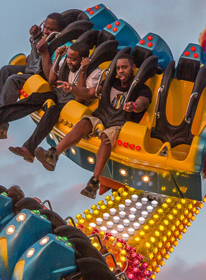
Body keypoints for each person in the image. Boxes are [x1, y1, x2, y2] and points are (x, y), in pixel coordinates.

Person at [35, 55, 152, 198]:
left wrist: (134, 106)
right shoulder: (110, 82)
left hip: (119, 123)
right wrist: (73, 89)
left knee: (106, 137)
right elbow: (90, 93)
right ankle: (53, 154)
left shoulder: (142, 89)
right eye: (118, 68)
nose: (121, 71)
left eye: (124, 67)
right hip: (101, 116)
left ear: (133, 68)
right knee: (84, 123)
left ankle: (94, 182)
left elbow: (143, 102)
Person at [0, 13, 67, 140]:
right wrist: (35, 37)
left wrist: (45, 50)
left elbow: (49, 72)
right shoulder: (42, 38)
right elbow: (33, 59)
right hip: (31, 68)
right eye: (44, 27)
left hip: (40, 74)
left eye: (50, 29)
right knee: (6, 70)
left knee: (13, 80)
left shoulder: (60, 46)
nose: (45, 31)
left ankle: (0, 121)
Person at [8, 41, 102, 163]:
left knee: (53, 110)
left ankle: (29, 149)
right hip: (59, 95)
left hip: (73, 104)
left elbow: (80, 99)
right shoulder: (66, 62)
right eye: (68, 57)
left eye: (73, 59)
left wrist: (83, 71)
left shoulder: (95, 73)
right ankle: (0, 119)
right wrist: (58, 58)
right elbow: (52, 79)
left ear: (84, 59)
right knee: (36, 98)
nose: (69, 61)